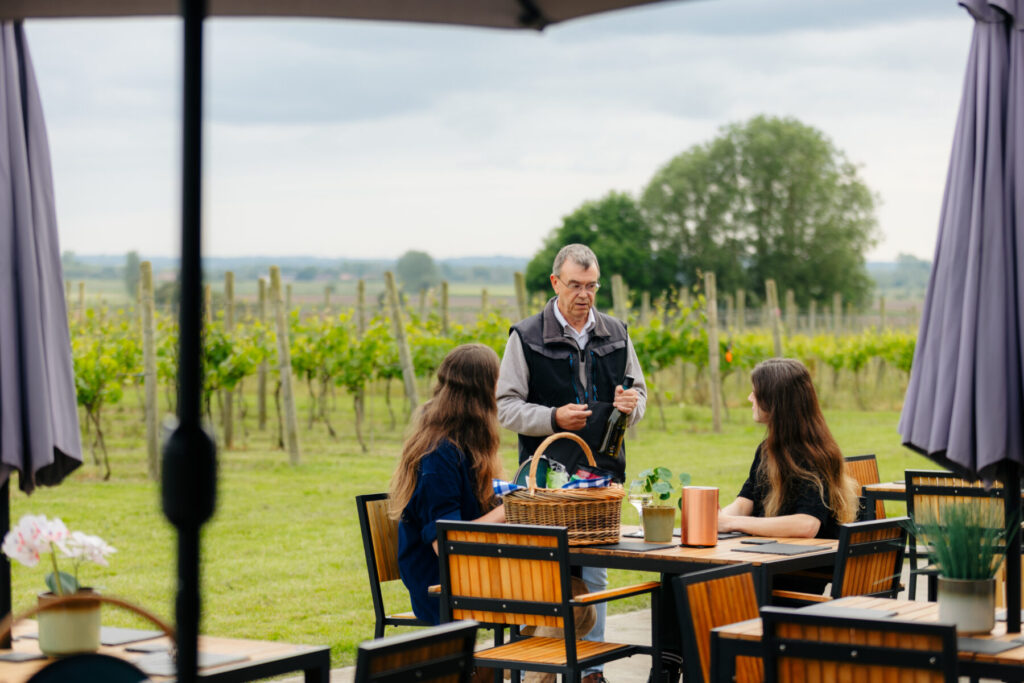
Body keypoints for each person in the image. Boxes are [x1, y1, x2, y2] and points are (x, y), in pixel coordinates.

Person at [497, 243, 646, 683]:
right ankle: (540, 670)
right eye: (576, 285)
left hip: (601, 478)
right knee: (545, 583)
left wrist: (630, 404)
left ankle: (590, 673)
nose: (585, 294)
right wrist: (552, 417)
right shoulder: (525, 337)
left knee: (594, 579)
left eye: (592, 285)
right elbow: (505, 407)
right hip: (545, 483)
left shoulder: (617, 332)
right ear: (555, 283)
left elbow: (640, 394)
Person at [388, 344, 506, 625]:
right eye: (499, 380)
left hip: (471, 573)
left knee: (569, 591)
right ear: (481, 390)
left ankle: (506, 668)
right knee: (565, 597)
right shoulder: (438, 454)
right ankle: (505, 667)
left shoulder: (467, 443)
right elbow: (447, 541)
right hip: (441, 588)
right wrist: (507, 510)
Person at [718, 357, 859, 539]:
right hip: (774, 558)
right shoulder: (767, 450)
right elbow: (745, 503)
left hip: (809, 564)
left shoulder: (813, 456)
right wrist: (716, 520)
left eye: (756, 393)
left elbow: (807, 525)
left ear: (775, 401)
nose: (750, 398)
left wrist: (731, 524)